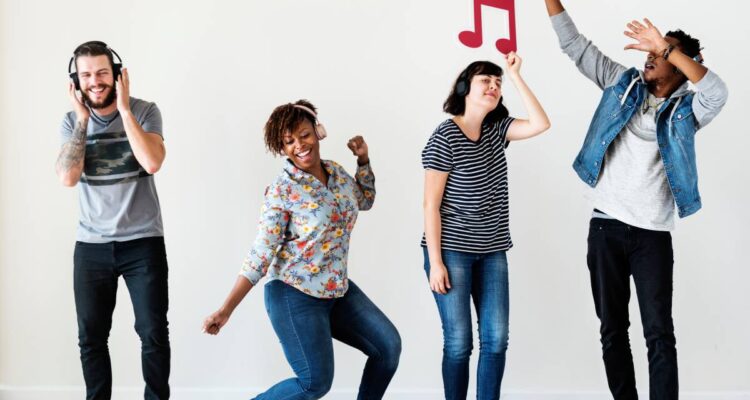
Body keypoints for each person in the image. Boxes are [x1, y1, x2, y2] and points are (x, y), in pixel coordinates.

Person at [543, 1, 728, 398]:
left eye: (658, 54)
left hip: (652, 236)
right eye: (650, 53)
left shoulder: (688, 110)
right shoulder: (621, 84)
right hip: (606, 226)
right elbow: (574, 45)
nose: (649, 58)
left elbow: (717, 90)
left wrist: (666, 45)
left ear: (680, 63)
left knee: (659, 334)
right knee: (612, 330)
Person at [202, 100, 401, 400]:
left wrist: (363, 161)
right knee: (314, 383)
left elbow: (364, 200)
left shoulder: (335, 172)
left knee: (388, 346)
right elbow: (260, 254)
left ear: (318, 132)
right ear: (281, 148)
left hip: (336, 290)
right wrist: (226, 309)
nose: (299, 145)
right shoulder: (282, 190)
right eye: (289, 141)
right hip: (294, 294)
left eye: (304, 134)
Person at [421, 53, 551, 400]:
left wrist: (516, 76)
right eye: (485, 81)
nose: (493, 86)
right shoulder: (445, 136)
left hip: (492, 250)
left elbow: (540, 124)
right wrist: (435, 262)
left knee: (496, 339)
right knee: (459, 342)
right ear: (465, 88)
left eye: (497, 83)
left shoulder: (497, 131)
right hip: (451, 252)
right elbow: (430, 205)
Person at [56, 41, 169, 400]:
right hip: (92, 246)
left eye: (103, 72)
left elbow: (151, 162)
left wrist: (123, 108)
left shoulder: (146, 111)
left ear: (117, 74)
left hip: (143, 242)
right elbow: (67, 178)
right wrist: (83, 121)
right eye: (86, 74)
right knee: (91, 337)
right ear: (76, 79)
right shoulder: (72, 122)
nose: (95, 81)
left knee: (153, 332)